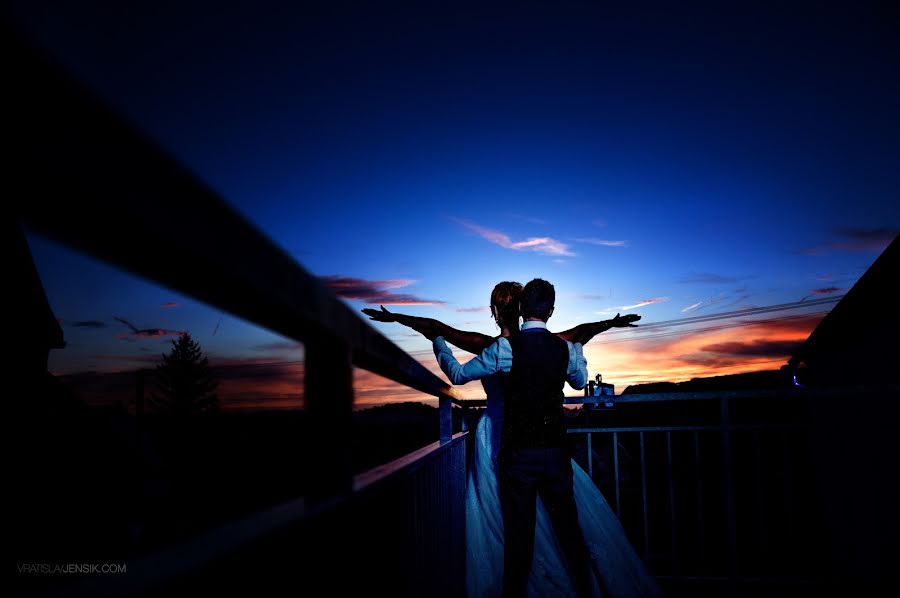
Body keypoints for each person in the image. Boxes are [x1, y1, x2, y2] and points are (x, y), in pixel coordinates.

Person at [364, 282, 662, 597]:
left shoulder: (494, 347)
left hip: (507, 442)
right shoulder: (555, 344)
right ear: (540, 309)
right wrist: (608, 324)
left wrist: (408, 324)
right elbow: (582, 334)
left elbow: (440, 334)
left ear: (499, 311)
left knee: (515, 528)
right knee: (566, 526)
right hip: (550, 446)